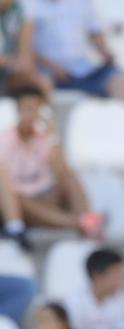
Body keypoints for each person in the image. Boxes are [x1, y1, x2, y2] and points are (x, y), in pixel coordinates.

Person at [0, 85, 102, 237]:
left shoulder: (45, 138)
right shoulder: (5, 140)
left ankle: (85, 223)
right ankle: (82, 223)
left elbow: (61, 172)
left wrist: (52, 136)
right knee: (16, 198)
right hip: (20, 204)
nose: (31, 114)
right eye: (27, 109)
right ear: (17, 111)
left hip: (45, 197)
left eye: (36, 109)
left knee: (70, 178)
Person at [24, 0, 124, 100]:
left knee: (118, 77)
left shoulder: (83, 2)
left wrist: (105, 52)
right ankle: (48, 119)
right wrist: (51, 66)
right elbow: (24, 47)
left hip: (83, 70)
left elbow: (94, 32)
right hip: (47, 73)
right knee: (40, 84)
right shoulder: (28, 4)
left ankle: (123, 118)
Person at [59, 247, 124, 329]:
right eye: (116, 276)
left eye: (122, 276)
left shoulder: (121, 301)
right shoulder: (74, 302)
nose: (121, 281)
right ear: (97, 275)